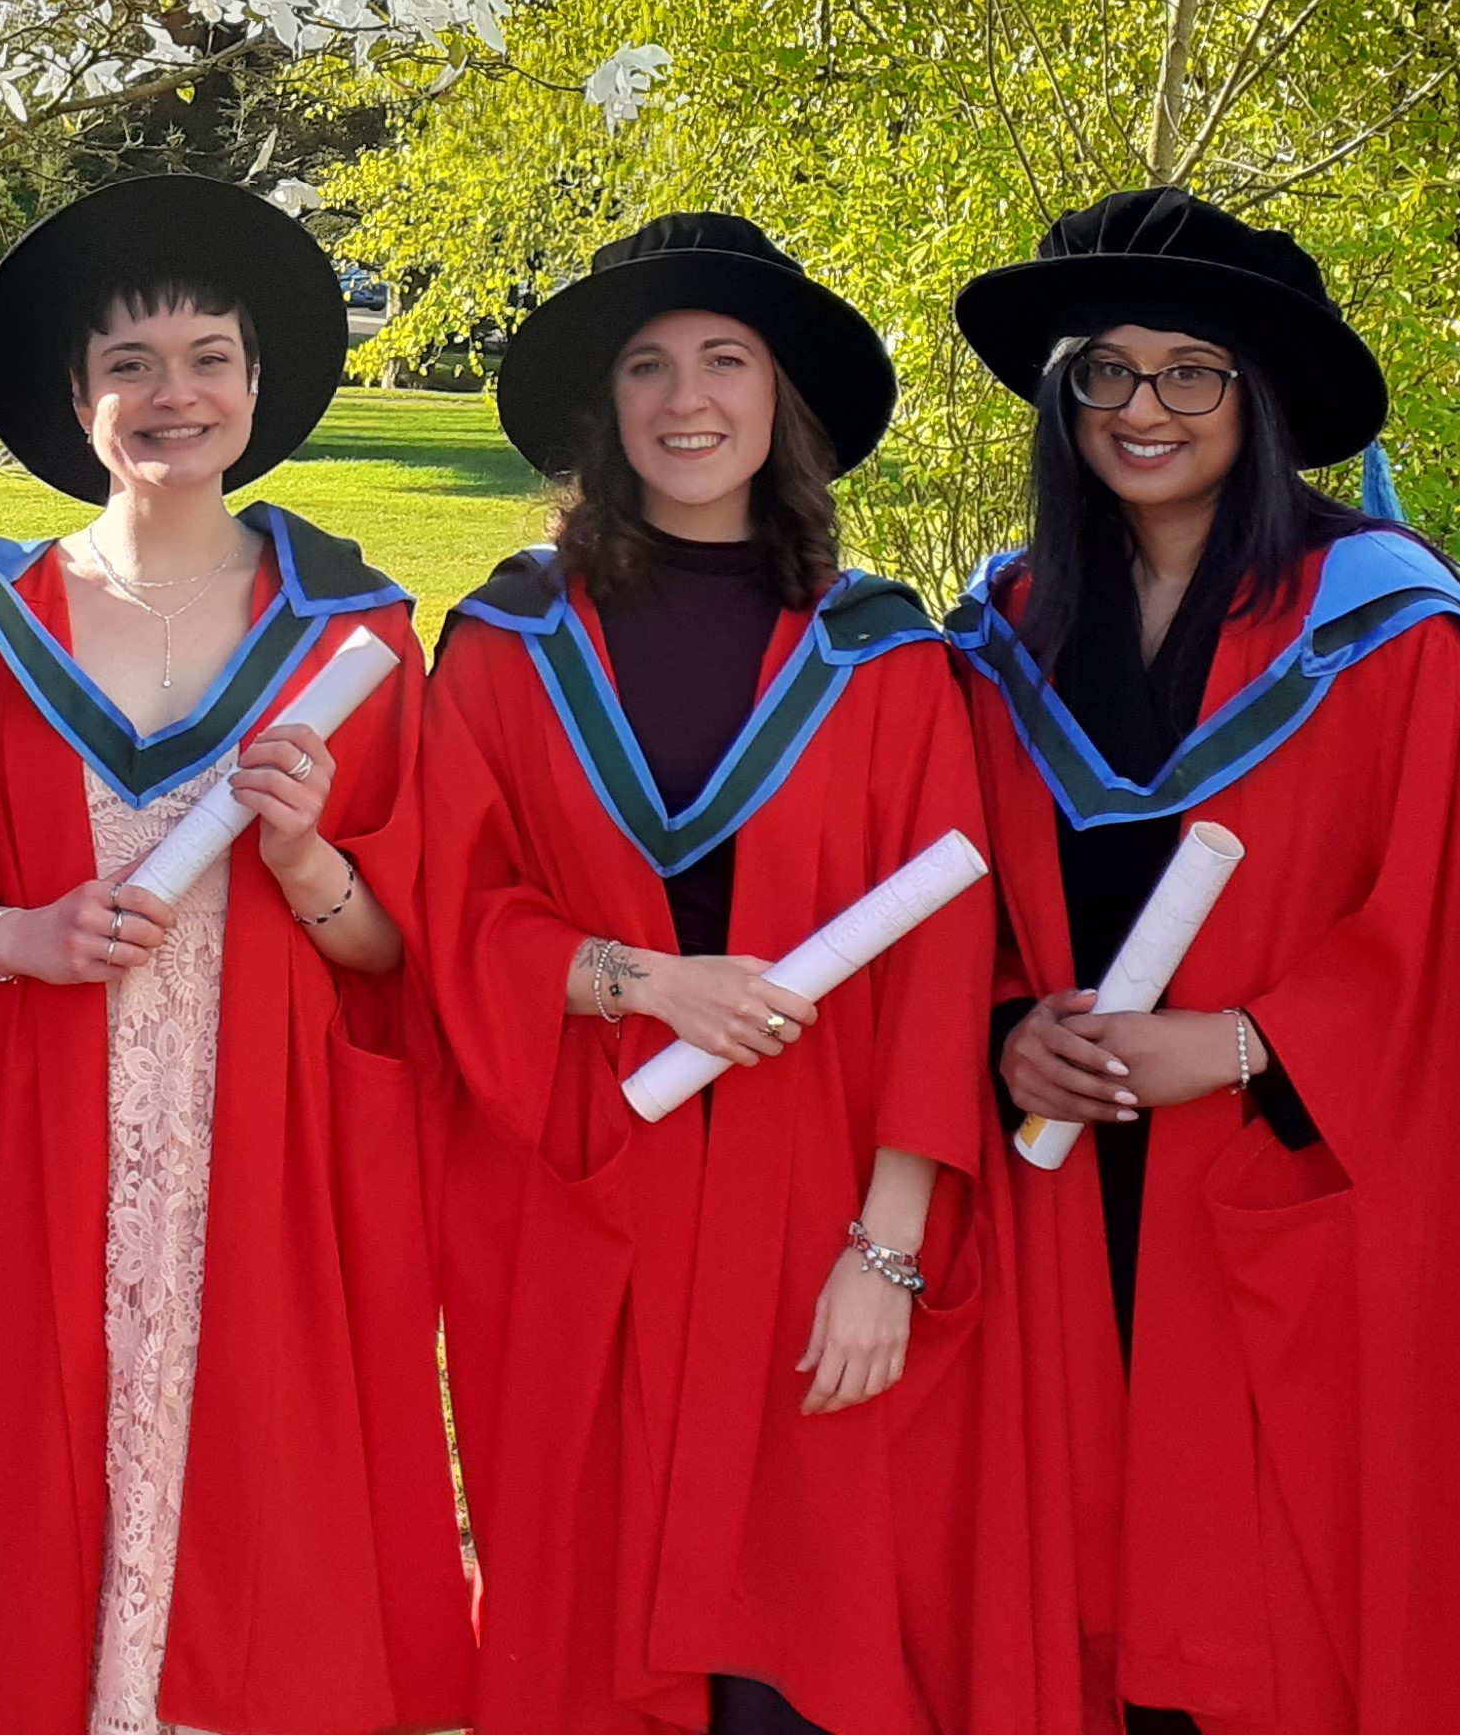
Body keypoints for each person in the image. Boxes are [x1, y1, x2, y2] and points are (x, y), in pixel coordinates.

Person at [418, 213, 1064, 1735]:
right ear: (605, 410)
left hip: (811, 1204)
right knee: (583, 1623)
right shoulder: (511, 638)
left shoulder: (883, 655)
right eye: (647, 365)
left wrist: (887, 1253)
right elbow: (455, 904)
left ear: (782, 405)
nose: (684, 396)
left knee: (802, 1638)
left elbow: (941, 960)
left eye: (726, 359)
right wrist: (634, 979)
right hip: (580, 1207)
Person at [944, 186, 1460, 1735]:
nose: (1142, 410)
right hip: (1062, 1188)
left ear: (1256, 397)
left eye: (1190, 372)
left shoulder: (1399, 637)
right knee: (1064, 1582)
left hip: (1283, 1183)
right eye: (1106, 371)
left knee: (1278, 1610)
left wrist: (1241, 1045)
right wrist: (1011, 1030)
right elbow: (948, 897)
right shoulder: (1008, 628)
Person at [0, 174, 472, 1735]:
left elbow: (406, 952)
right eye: (130, 365)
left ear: (259, 384)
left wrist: (305, 857)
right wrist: (19, 934)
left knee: (253, 1548)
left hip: (264, 1147)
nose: (172, 395)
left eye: (208, 355)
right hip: (28, 1142)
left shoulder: (355, 637)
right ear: (75, 401)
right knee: (22, 1497)